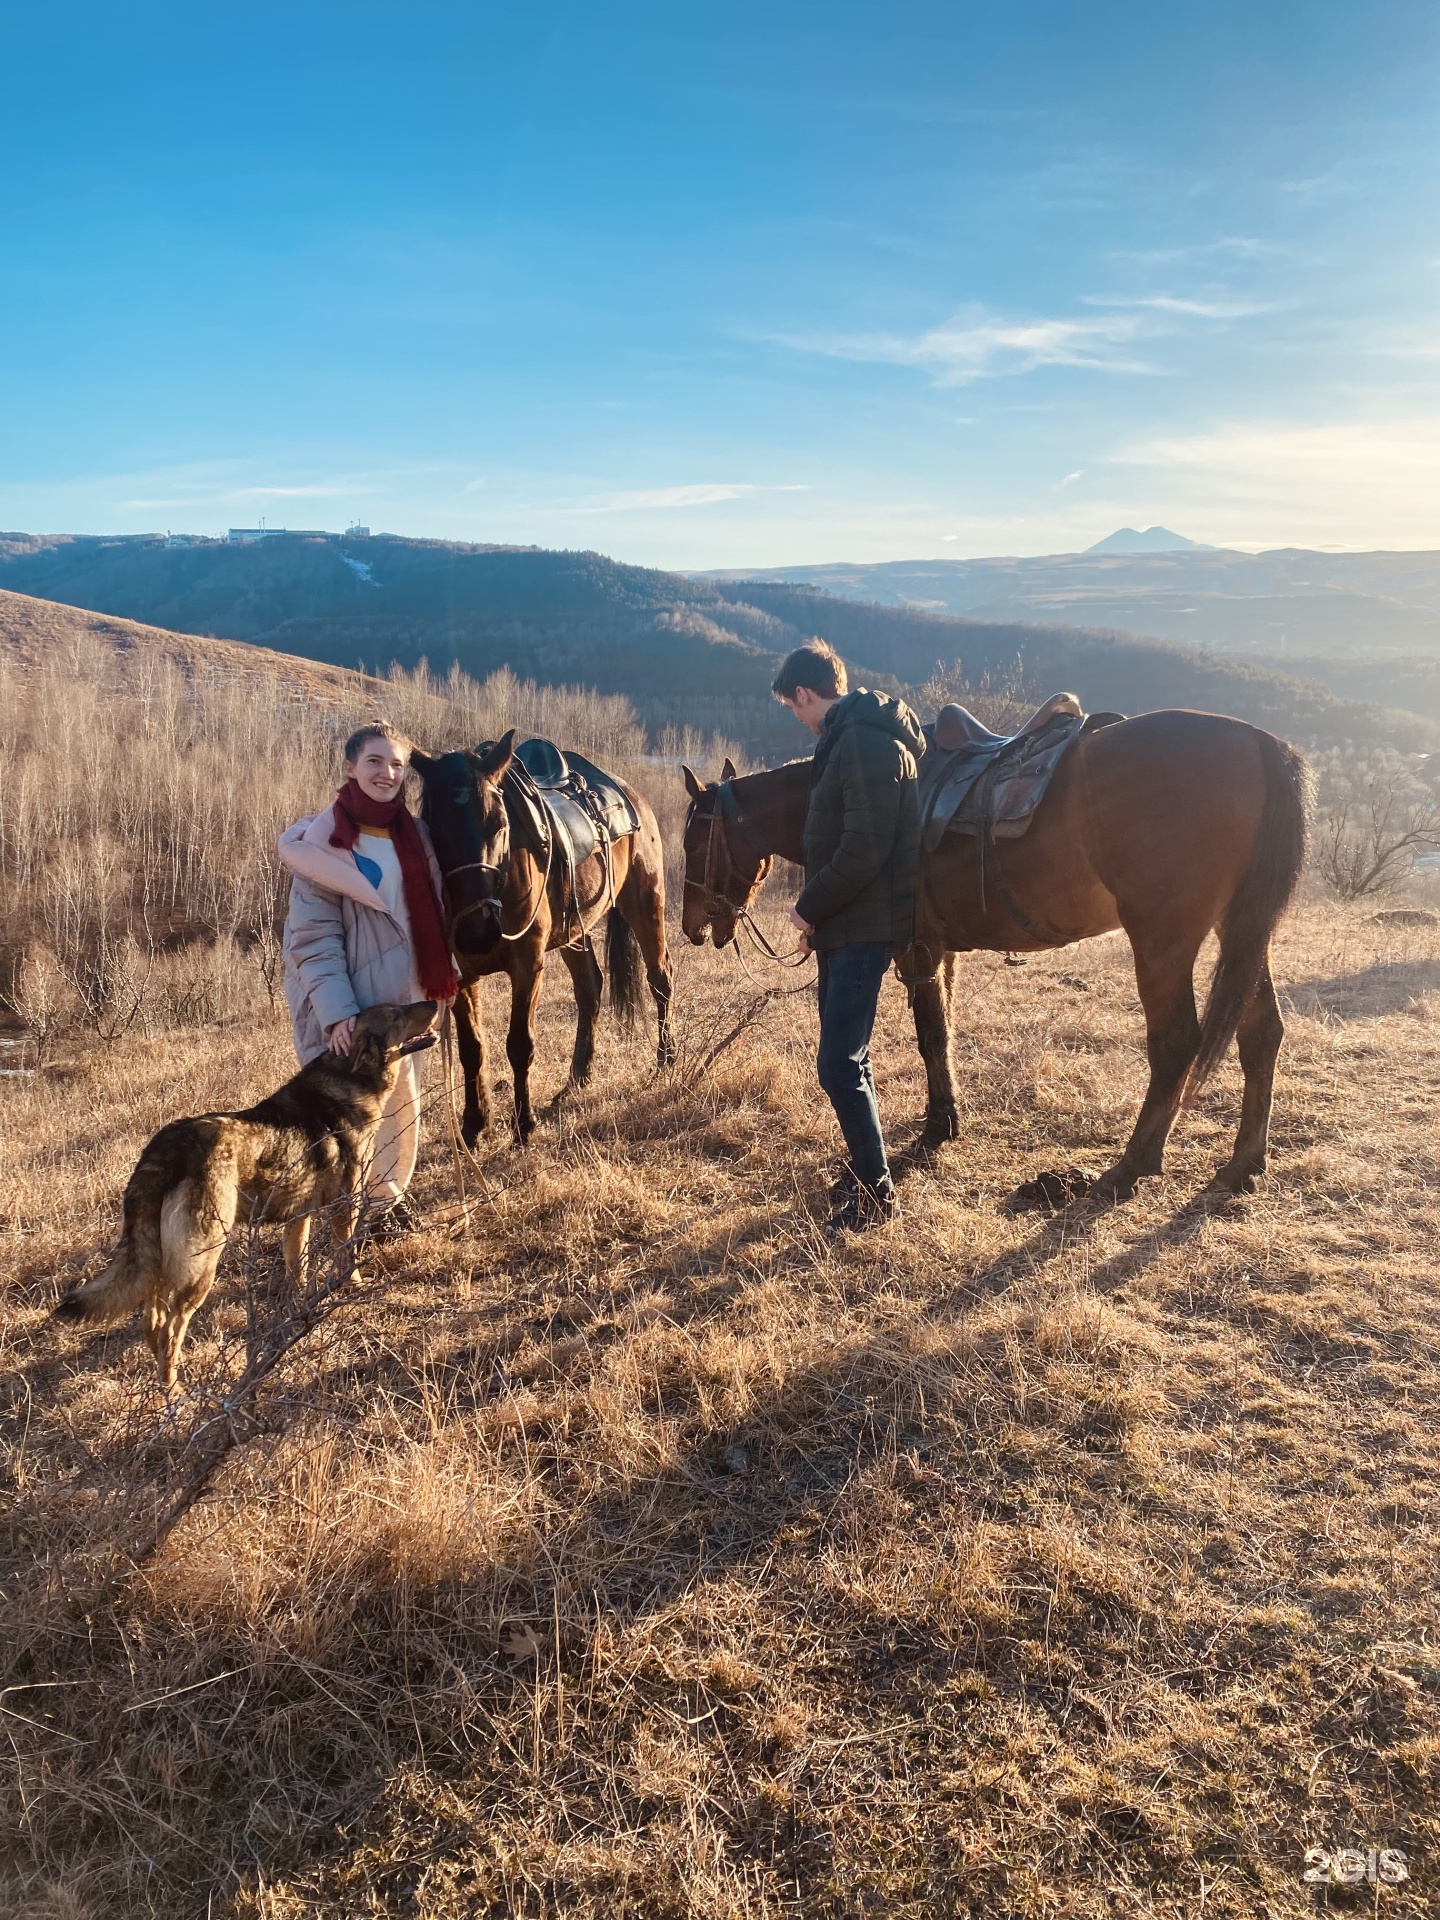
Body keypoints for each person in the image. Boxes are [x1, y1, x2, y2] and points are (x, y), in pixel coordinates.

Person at [277, 722, 455, 1231]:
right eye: (375, 761)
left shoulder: (416, 837)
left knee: (402, 1110)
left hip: (405, 1004)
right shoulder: (324, 842)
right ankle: (336, 1222)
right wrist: (338, 1016)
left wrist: (448, 979)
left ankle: (384, 1208)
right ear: (350, 767)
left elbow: (436, 916)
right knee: (341, 1125)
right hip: (352, 1011)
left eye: (397, 764)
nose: (388, 773)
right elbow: (312, 940)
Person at [775, 641, 923, 1233]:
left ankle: (876, 1192)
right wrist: (821, 925)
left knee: (839, 1064)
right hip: (847, 926)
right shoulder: (849, 739)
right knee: (843, 1062)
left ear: (806, 694)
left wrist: (809, 908)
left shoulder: (861, 742)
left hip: (866, 927)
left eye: (793, 705)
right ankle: (866, 1174)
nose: (796, 716)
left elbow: (864, 849)